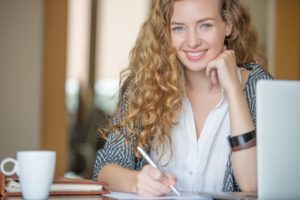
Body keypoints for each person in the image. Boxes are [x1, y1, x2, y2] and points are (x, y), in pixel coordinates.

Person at [93, 0, 272, 196]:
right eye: (178, 28)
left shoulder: (260, 87)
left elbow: (252, 185)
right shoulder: (145, 85)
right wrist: (137, 182)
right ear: (166, 32)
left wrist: (234, 91)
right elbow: (104, 169)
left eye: (205, 25)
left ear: (228, 24)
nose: (193, 41)